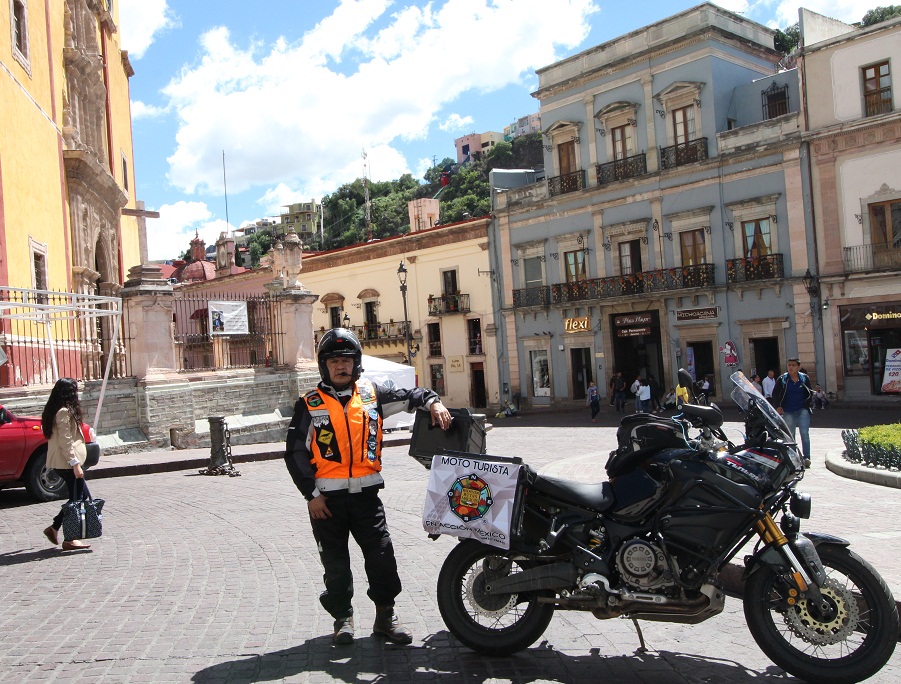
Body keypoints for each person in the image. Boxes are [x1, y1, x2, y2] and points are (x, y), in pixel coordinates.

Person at [284, 328, 452, 646]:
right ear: (324, 366)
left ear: (356, 362)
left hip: (367, 498)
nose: (340, 366)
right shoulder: (309, 404)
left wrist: (433, 403)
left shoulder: (373, 394)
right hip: (327, 503)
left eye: (346, 359)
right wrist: (311, 495)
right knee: (335, 565)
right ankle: (342, 618)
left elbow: (411, 395)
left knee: (382, 557)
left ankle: (385, 617)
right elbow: (295, 453)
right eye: (333, 360)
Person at [40, 378, 93, 551]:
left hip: (65, 462)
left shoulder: (55, 409)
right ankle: (70, 538)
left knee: (78, 497)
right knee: (78, 498)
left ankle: (54, 528)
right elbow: (66, 440)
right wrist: (75, 463)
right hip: (67, 463)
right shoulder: (63, 411)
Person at [772, 357, 813, 468]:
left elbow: (810, 393)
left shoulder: (804, 378)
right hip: (788, 411)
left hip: (802, 410)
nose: (791, 367)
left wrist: (806, 405)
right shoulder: (783, 379)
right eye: (789, 365)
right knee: (790, 436)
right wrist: (778, 406)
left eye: (793, 365)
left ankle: (806, 457)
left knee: (804, 434)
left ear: (798, 367)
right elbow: (775, 394)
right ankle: (794, 458)